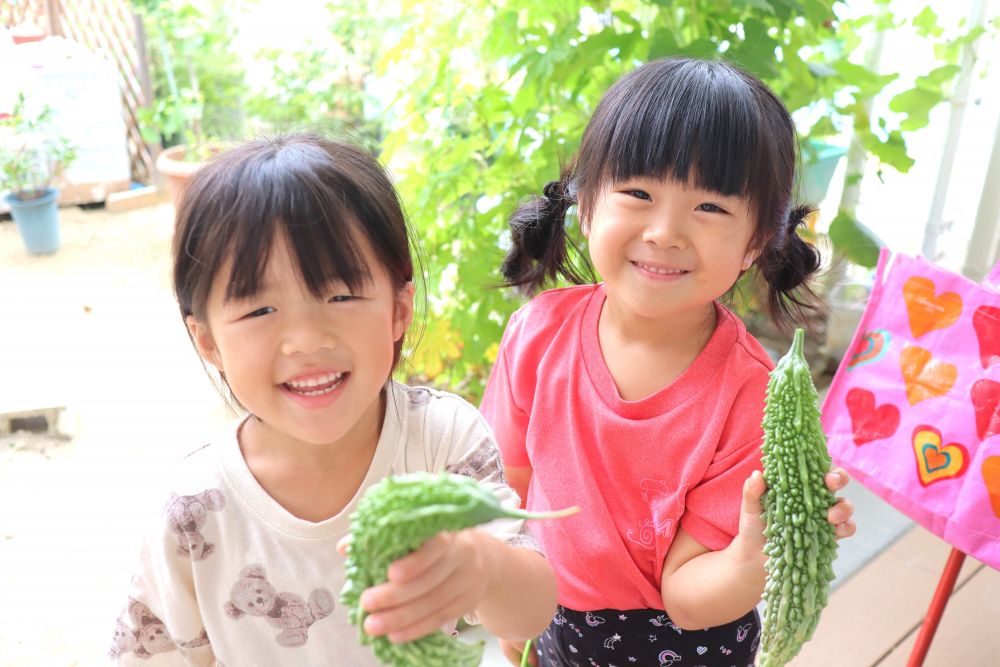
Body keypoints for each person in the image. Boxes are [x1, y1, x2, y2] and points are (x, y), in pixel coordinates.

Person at [108, 134, 558, 664]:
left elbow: (531, 613)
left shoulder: (441, 443)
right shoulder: (192, 514)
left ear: (398, 308)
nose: (307, 340)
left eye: (340, 296)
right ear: (209, 341)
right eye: (259, 310)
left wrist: (485, 567)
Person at [480, 57, 857, 667]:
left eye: (710, 208)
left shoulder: (752, 398)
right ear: (586, 202)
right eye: (637, 193)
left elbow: (687, 597)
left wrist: (753, 555)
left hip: (689, 643)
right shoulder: (537, 334)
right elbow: (506, 488)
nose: (664, 231)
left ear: (757, 241)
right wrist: (509, 605)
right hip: (554, 621)